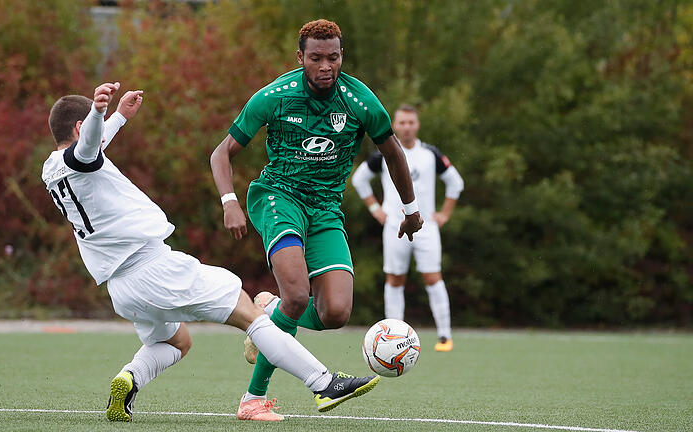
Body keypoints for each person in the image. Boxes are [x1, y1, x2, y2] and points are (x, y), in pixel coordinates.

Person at [43, 81, 380, 423]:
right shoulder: (84, 154)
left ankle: (130, 379)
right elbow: (87, 148)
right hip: (153, 268)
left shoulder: (51, 168)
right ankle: (322, 382)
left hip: (121, 288)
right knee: (251, 314)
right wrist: (100, 112)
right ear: (82, 127)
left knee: (177, 342)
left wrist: (117, 117)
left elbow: (88, 149)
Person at [210, 19, 423, 421]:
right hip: (279, 198)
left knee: (336, 313)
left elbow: (394, 154)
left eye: (334, 57)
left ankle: (269, 315)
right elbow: (221, 154)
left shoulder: (360, 101)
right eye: (316, 58)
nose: (326, 66)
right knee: (296, 296)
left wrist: (411, 212)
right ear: (300, 58)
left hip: (325, 209)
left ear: (342, 56)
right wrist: (229, 201)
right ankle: (253, 400)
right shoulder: (275, 96)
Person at [351, 104, 464, 352]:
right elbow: (359, 179)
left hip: (427, 228)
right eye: (401, 122)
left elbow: (456, 183)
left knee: (432, 277)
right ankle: (395, 336)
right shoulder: (384, 154)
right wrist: (375, 209)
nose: (406, 127)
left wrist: (444, 214)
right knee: (395, 279)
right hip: (394, 228)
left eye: (411, 122)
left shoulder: (430, 155)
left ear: (417, 124)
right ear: (395, 124)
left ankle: (445, 336)